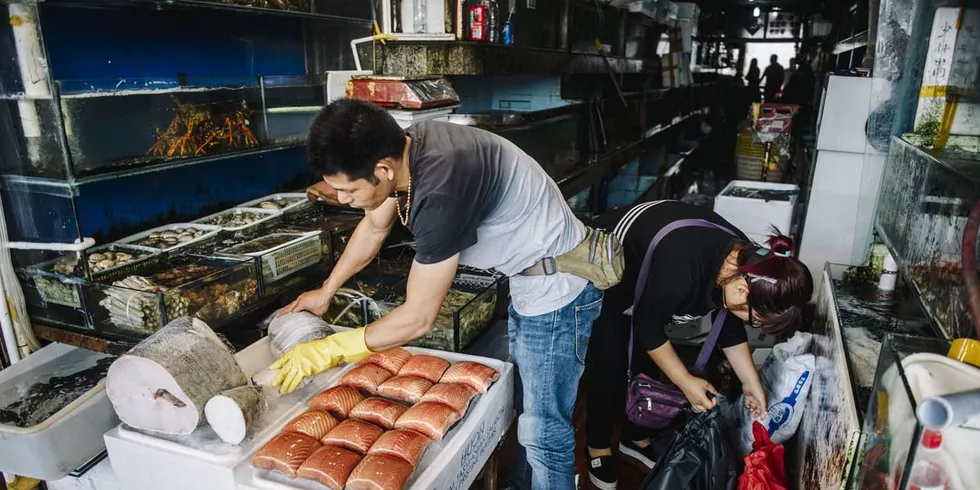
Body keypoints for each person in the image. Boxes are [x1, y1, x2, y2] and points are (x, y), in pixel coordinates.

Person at [271, 98, 607, 490]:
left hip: (556, 289)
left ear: (382, 169)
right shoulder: (407, 150)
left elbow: (419, 316)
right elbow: (375, 229)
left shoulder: (441, 188)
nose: (342, 200)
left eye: (348, 190)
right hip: (530, 278)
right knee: (529, 412)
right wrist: (326, 291)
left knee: (543, 431)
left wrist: (331, 348)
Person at [583, 200, 813, 490]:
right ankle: (598, 445)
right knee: (610, 357)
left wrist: (750, 381)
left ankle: (634, 435)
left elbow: (726, 319)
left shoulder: (746, 263)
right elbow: (647, 326)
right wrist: (686, 383)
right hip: (605, 269)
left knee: (647, 357)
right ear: (744, 290)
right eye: (754, 319)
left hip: (649, 280)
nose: (750, 323)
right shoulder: (683, 268)